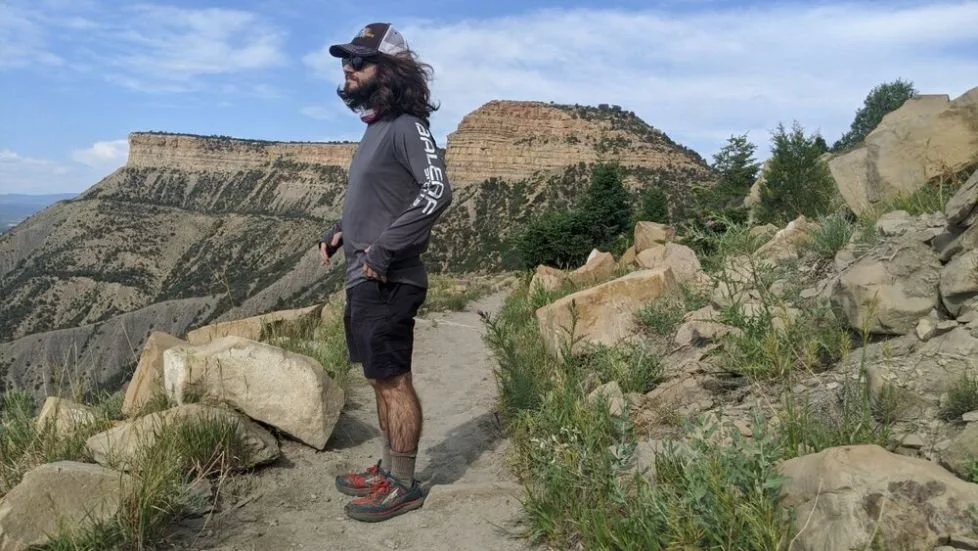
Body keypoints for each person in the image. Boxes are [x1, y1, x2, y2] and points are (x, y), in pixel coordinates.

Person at [317, 22, 453, 523]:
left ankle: (404, 483)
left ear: (390, 72)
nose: (347, 70)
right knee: (380, 380)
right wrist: (340, 231)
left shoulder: (408, 126)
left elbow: (437, 192)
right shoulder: (377, 128)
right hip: (367, 275)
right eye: (346, 62)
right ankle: (389, 468)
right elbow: (376, 201)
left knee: (394, 381)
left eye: (359, 61)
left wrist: (381, 251)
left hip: (389, 278)